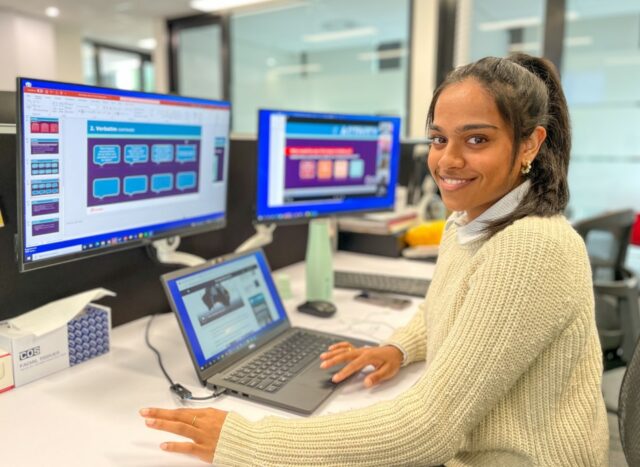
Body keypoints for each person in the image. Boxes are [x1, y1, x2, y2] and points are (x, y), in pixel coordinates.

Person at [139, 53, 609, 466]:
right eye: (439, 139)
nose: (447, 161)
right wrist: (398, 349)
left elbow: (426, 430)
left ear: (529, 143)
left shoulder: (531, 247)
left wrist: (246, 441)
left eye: (477, 140)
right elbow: (447, 310)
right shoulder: (471, 221)